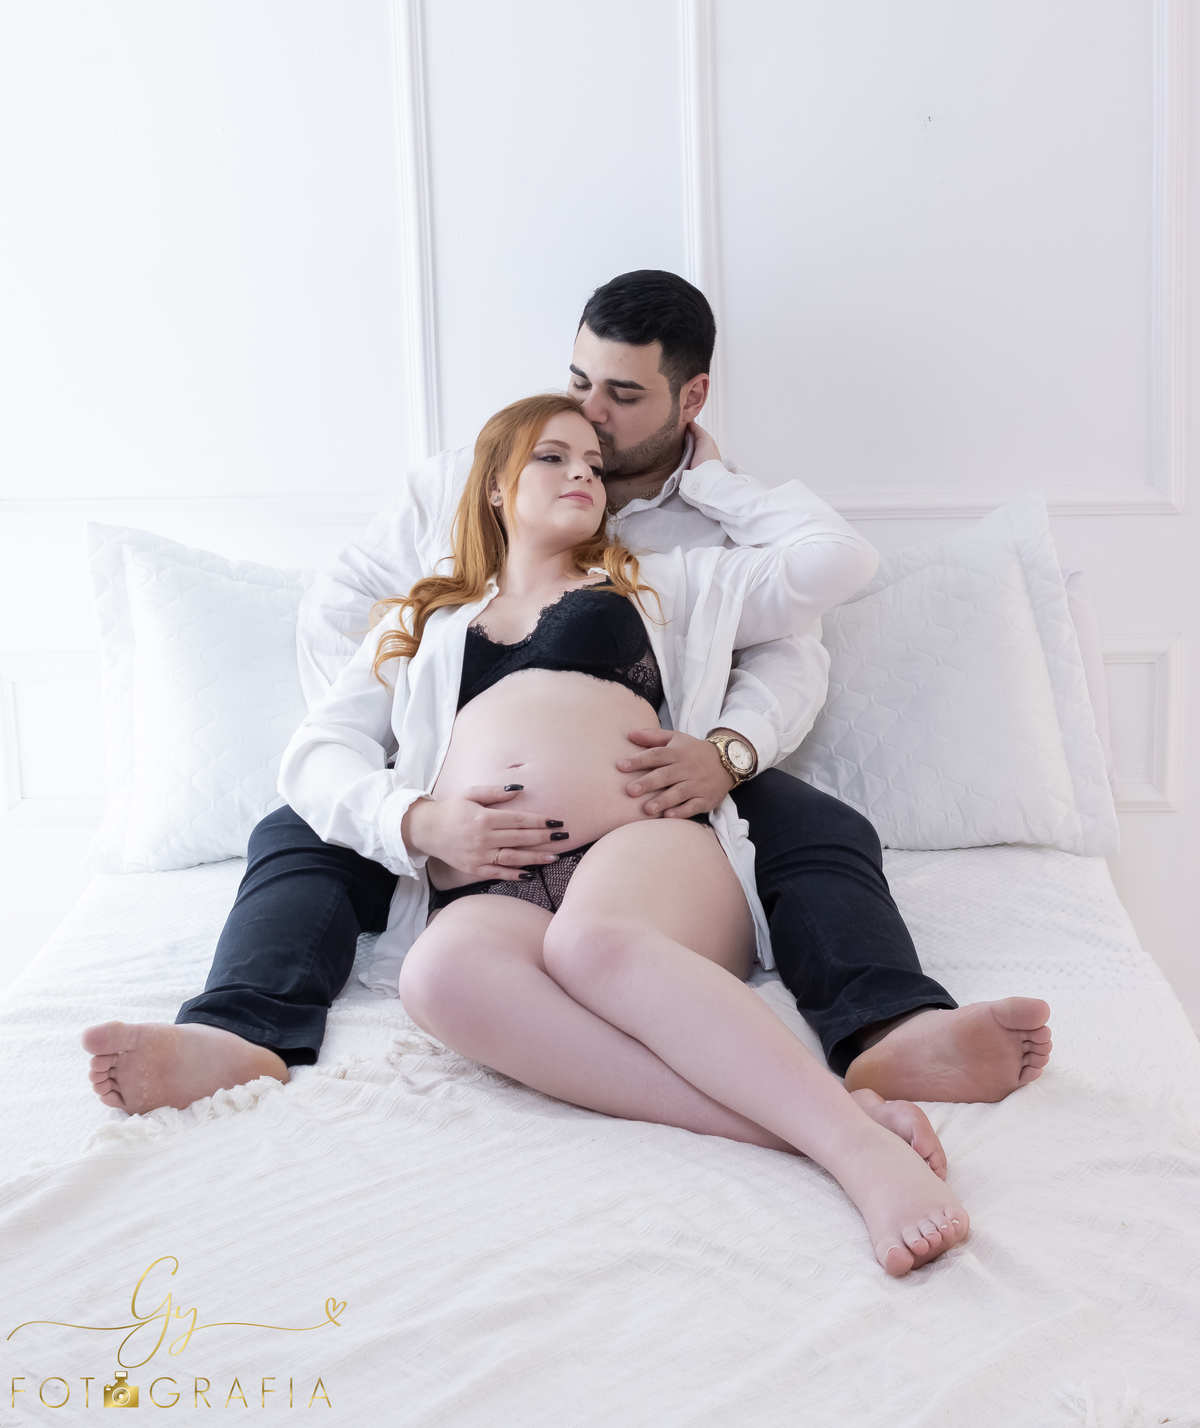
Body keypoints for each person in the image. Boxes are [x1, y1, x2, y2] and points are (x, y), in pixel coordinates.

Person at [83, 271, 1050, 1125]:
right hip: (452, 796)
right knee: (299, 830)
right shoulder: (463, 490)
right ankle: (242, 1033)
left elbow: (796, 645)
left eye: (620, 398)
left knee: (818, 828)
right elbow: (343, 617)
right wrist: (414, 778)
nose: (589, 419)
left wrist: (727, 749)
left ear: (690, 397)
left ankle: (891, 1029)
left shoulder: (698, 547)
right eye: (578, 384)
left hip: (663, 781)